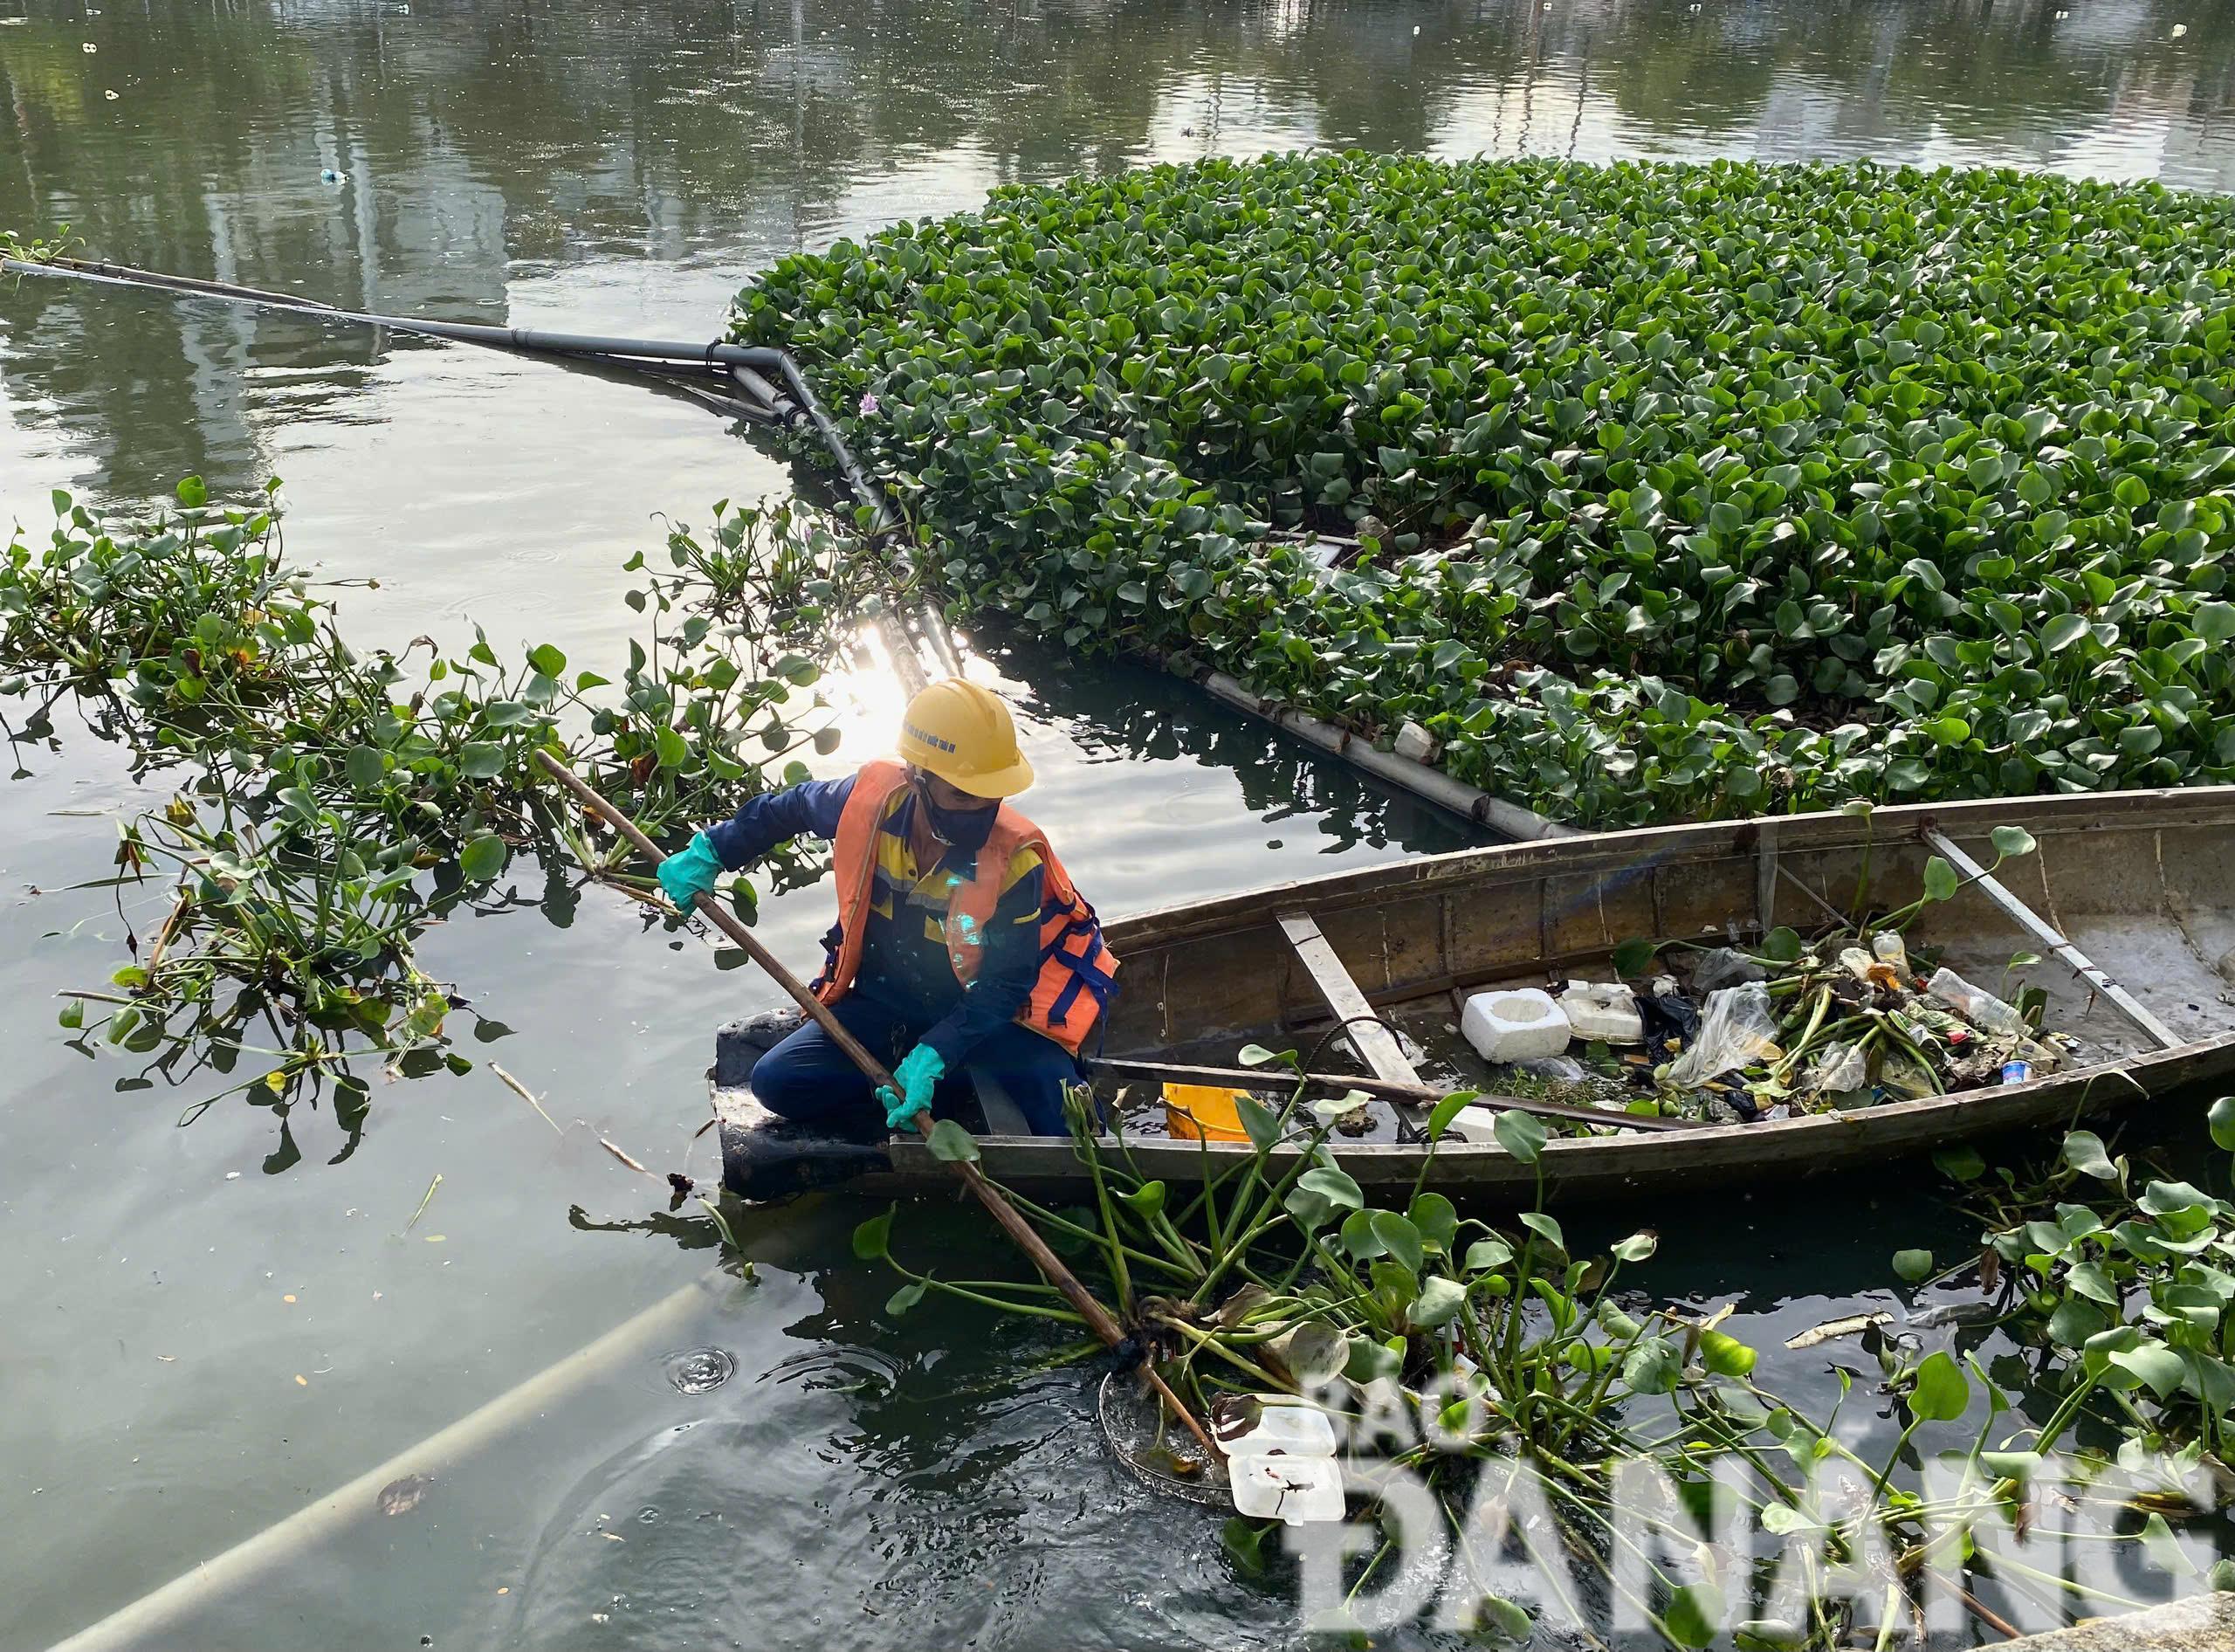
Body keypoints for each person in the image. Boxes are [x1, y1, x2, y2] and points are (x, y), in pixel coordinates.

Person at [657, 678, 1118, 1136]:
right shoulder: (871, 804)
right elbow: (789, 808)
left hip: (986, 1018)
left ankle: (941, 1074)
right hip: (888, 1001)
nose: (979, 810)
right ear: (919, 776)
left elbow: (1007, 983)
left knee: (1069, 1122)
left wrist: (939, 1050)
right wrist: (713, 851)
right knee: (780, 1084)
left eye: (990, 796)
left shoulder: (1015, 858)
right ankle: (928, 1087)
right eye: (961, 794)